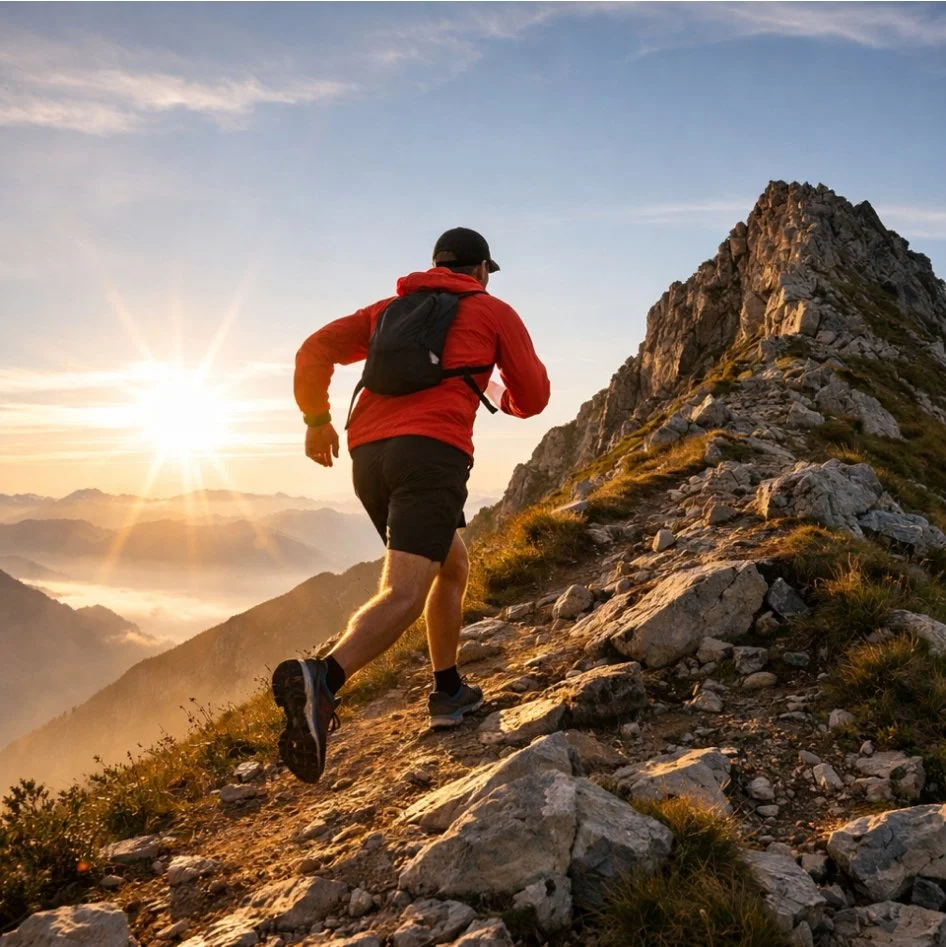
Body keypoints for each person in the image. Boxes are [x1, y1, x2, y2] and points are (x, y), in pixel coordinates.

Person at [272, 227, 550, 784]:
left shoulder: (387, 311)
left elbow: (313, 350)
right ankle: (322, 680)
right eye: (487, 272)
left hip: (368, 456)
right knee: (404, 592)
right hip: (430, 457)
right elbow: (534, 397)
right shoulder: (494, 313)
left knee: (453, 565)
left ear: (436, 266)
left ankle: (448, 691)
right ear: (479, 271)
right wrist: (503, 396)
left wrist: (316, 421)